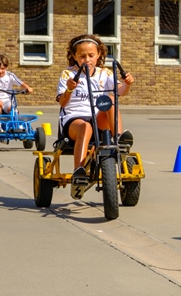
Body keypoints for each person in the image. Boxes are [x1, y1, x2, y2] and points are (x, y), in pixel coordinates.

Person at [57, 34, 134, 188]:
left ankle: (118, 140)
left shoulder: (104, 73)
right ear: (74, 56)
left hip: (97, 118)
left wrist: (127, 84)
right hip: (74, 120)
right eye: (82, 56)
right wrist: (70, 89)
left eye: (91, 55)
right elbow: (63, 102)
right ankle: (79, 171)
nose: (87, 60)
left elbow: (120, 91)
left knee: (111, 100)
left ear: (98, 54)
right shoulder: (69, 74)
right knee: (85, 127)